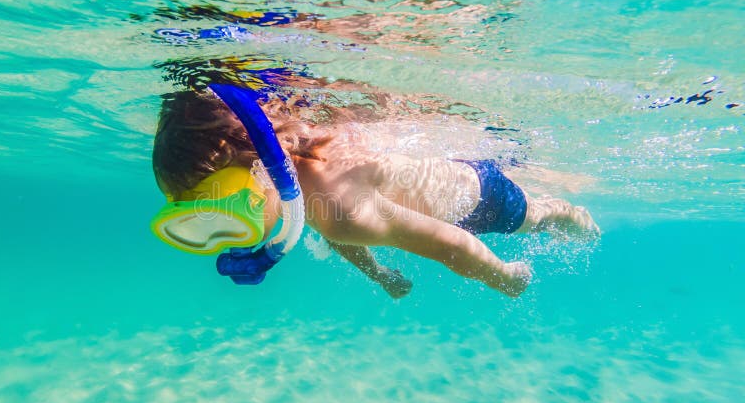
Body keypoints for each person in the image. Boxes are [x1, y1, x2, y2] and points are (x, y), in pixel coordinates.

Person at [151, 88, 599, 299]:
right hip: (443, 190)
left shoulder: (339, 206)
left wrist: (502, 276)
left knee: (534, 217)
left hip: (480, 200)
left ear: (259, 170)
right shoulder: (304, 191)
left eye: (221, 209)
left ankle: (566, 213)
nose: (224, 235)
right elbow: (333, 231)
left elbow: (451, 244)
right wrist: (378, 273)